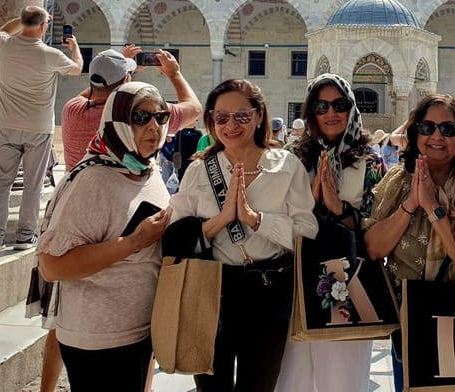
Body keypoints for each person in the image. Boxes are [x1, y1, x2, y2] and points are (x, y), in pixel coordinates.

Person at [169, 79, 318, 392]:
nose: (231, 125)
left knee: (259, 384)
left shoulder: (287, 166)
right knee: (211, 386)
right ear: (211, 120)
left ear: (259, 115)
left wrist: (256, 220)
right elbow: (177, 233)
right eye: (221, 117)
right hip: (211, 288)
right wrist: (221, 220)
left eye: (242, 116)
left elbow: (307, 231)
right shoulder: (199, 170)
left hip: (269, 290)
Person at [37, 82, 172, 392]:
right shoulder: (93, 178)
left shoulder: (146, 169)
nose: (154, 126)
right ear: (118, 122)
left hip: (139, 330)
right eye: (141, 117)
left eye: (160, 117)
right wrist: (135, 242)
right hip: (98, 338)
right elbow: (52, 266)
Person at [364, 94, 455, 392]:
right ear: (415, 133)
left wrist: (432, 208)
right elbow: (375, 249)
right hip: (408, 315)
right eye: (427, 127)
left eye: (448, 129)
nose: (436, 137)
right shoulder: (397, 181)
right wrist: (410, 204)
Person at [276, 73, 386, 392]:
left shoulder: (370, 161)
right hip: (295, 280)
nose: (330, 113)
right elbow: (276, 217)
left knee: (343, 377)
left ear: (351, 108)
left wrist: (340, 209)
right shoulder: (292, 159)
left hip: (348, 286)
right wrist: (308, 199)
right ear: (310, 112)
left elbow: (377, 227)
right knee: (293, 375)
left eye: (339, 104)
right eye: (321, 106)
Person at [0, 6, 83, 254]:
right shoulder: (50, 55)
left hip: (6, 124)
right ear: (43, 26)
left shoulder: (3, 45)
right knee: (32, 184)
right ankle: (25, 237)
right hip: (38, 128)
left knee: (1, 183)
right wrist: (75, 49)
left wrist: (27, 19)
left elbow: (4, 29)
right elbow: (78, 69)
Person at [60, 47, 201, 171]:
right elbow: (195, 109)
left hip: (77, 189)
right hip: (120, 194)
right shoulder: (135, 113)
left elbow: (95, 89)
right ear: (126, 81)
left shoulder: (71, 109)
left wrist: (117, 70)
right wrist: (174, 74)